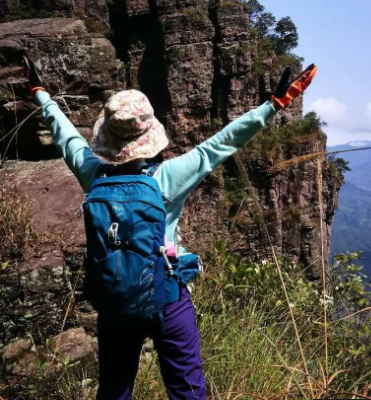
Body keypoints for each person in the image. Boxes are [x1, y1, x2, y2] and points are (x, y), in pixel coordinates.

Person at [22, 57, 316, 400]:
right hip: (169, 296)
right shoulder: (167, 178)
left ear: (109, 136)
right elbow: (220, 144)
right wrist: (273, 105)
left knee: (115, 390)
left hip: (115, 304)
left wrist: (41, 93)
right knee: (187, 389)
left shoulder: (92, 174)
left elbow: (66, 135)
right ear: (149, 134)